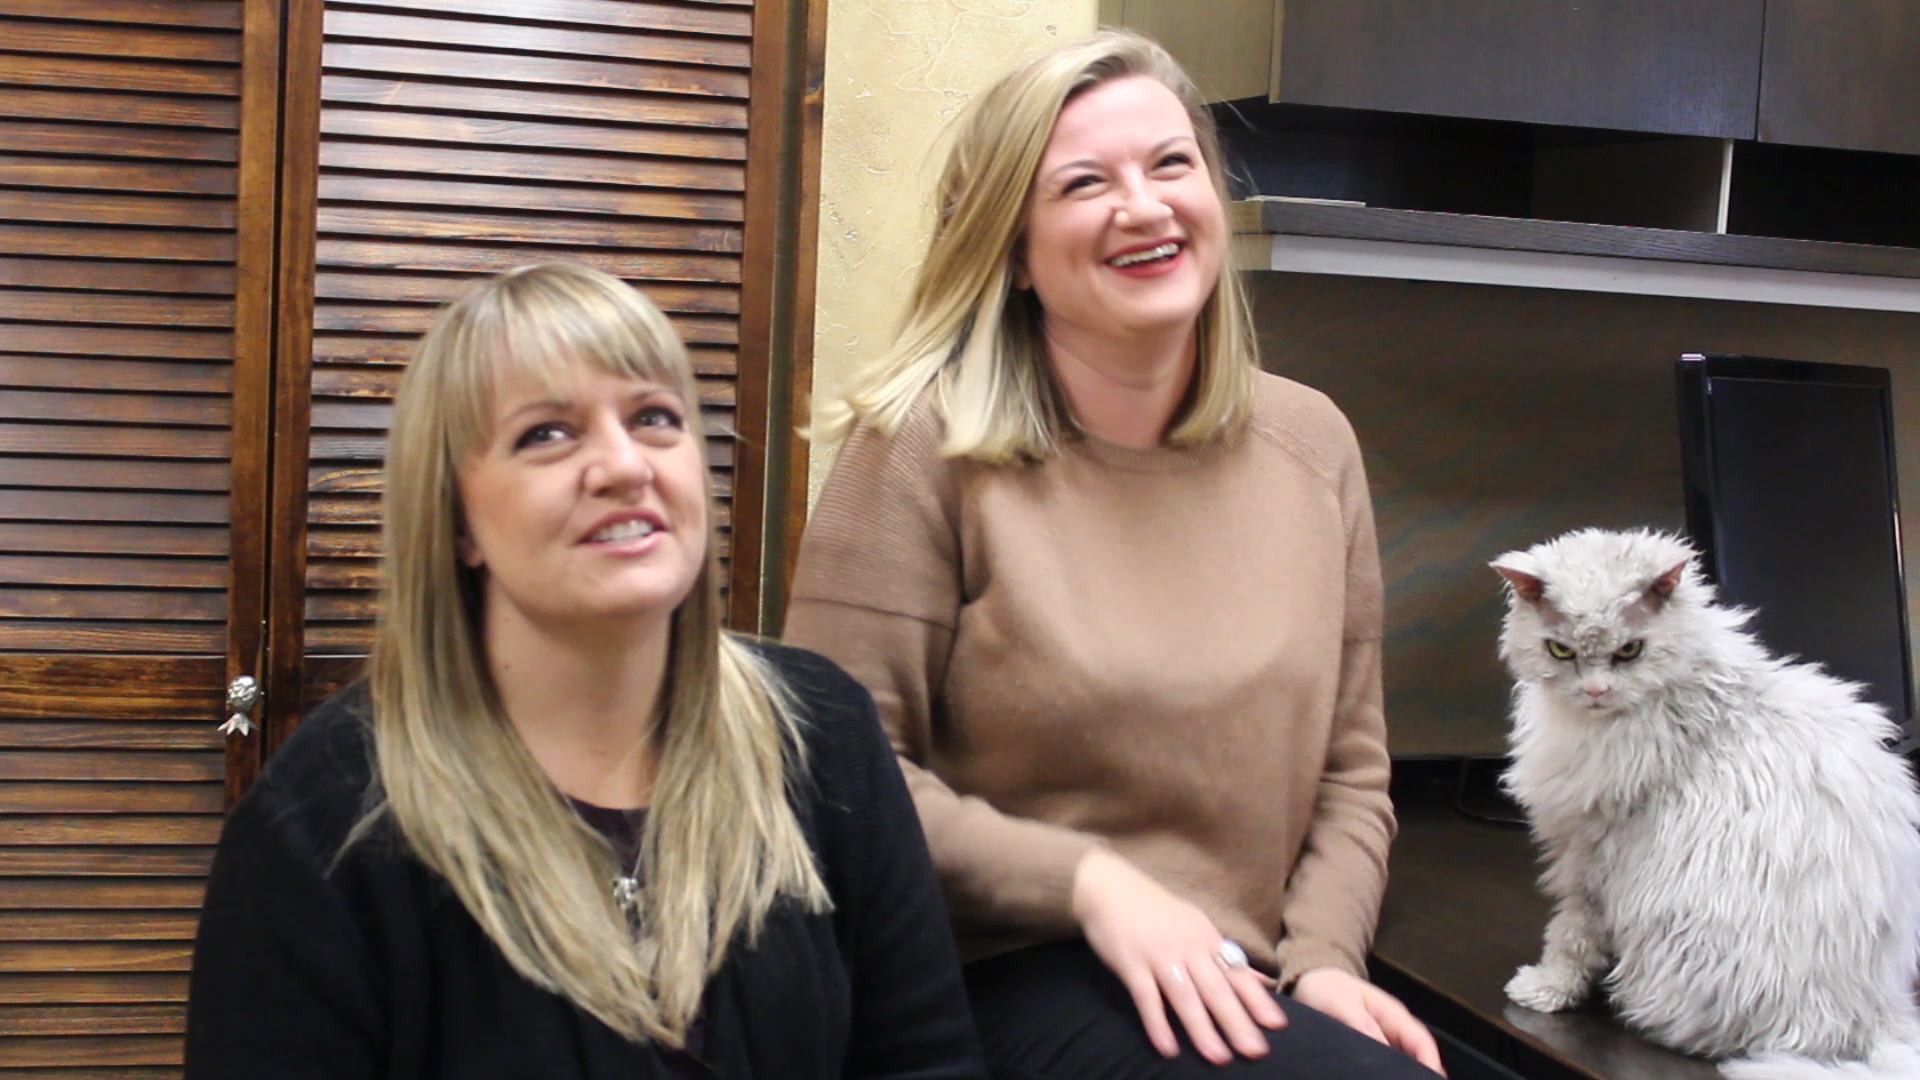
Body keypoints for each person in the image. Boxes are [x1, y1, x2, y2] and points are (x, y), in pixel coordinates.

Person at [785, 31, 1445, 1080]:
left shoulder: (1313, 444)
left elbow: (1351, 777)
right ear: (1012, 247)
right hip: (995, 973)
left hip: (1243, 978)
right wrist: (1092, 882)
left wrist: (1324, 963)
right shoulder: (919, 445)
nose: (1142, 207)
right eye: (1085, 183)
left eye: (1170, 164)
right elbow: (836, 781)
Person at [184, 264, 985, 1080]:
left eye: (655, 418)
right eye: (547, 434)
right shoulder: (318, 827)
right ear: (457, 521)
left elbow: (924, 1062)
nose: (623, 466)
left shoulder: (823, 734)